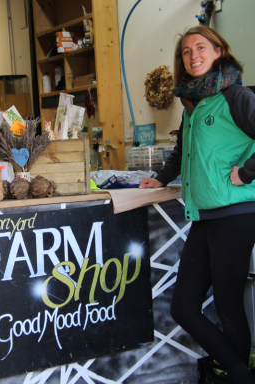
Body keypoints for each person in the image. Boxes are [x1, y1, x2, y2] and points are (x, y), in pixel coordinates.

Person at [139, 26, 255, 383]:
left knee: (228, 305)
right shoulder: (194, 102)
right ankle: (240, 374)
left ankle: (237, 375)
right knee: (185, 307)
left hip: (235, 215)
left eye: (201, 48)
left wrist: (248, 172)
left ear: (218, 51)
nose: (193, 56)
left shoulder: (237, 96)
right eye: (186, 52)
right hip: (203, 216)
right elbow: (182, 151)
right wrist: (160, 177)